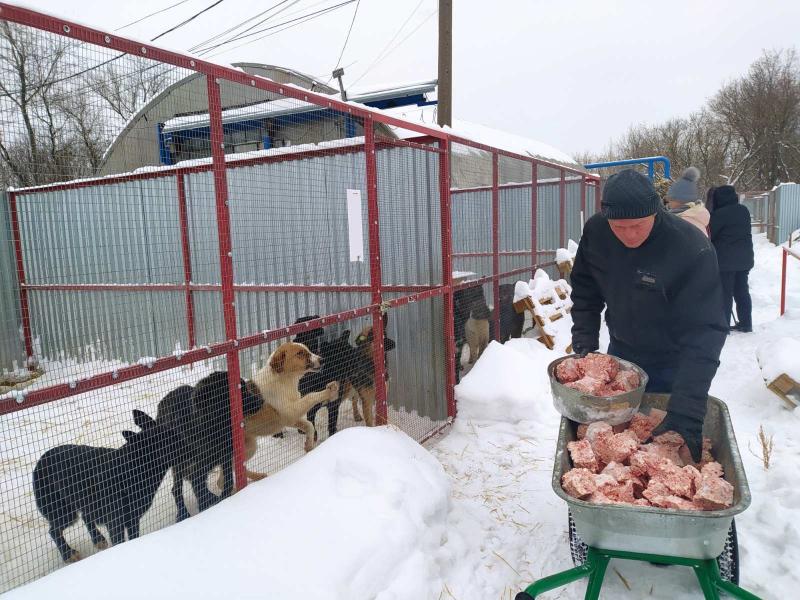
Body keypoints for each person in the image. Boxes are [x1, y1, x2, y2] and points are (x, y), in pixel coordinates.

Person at [570, 169, 728, 461]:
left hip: (675, 363)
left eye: (638, 225)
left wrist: (688, 408)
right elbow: (585, 291)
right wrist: (584, 342)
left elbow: (706, 330)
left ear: (655, 212)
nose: (629, 234)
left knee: (663, 452)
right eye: (619, 226)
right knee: (616, 449)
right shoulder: (597, 232)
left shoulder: (690, 247)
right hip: (622, 354)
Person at [710, 184, 754, 332]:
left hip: (726, 261)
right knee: (742, 291)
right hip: (745, 259)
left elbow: (711, 235)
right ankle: (746, 323)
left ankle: (724, 325)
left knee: (725, 294)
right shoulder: (744, 210)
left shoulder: (719, 214)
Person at [666, 166, 710, 236]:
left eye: (671, 199)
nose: (668, 201)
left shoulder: (681, 223)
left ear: (680, 200)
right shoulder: (695, 216)